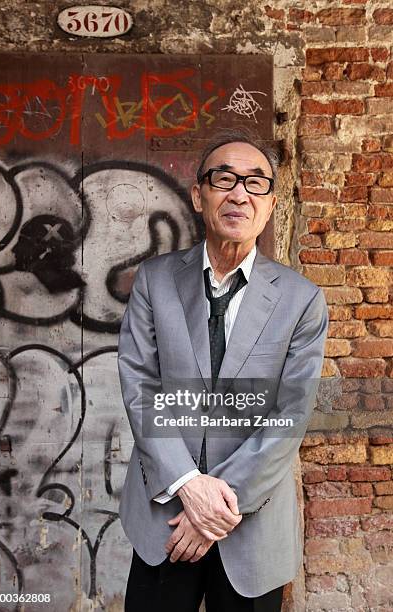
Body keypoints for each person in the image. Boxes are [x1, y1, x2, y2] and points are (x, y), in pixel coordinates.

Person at [118, 130, 329, 611]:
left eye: (256, 183)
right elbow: (140, 389)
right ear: (199, 194)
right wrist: (188, 487)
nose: (239, 193)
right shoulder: (155, 281)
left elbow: (288, 414)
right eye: (225, 178)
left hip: (251, 524)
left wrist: (215, 509)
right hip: (166, 520)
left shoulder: (301, 300)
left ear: (271, 203)